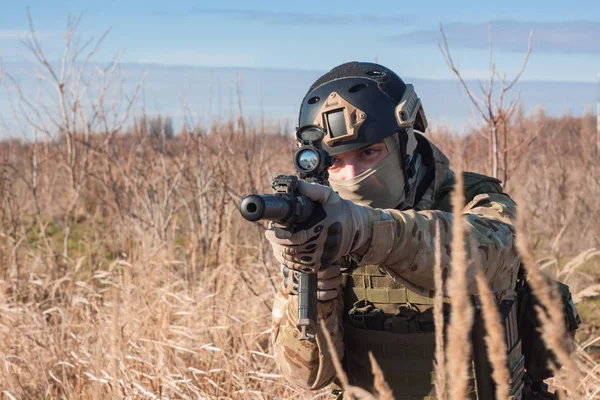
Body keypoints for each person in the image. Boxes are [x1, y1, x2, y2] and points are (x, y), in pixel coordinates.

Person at [265, 61, 523, 399]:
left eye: (369, 152)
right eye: (337, 162)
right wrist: (309, 291)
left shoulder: (474, 198)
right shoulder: (321, 226)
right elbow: (308, 378)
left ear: (407, 145)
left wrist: (365, 230)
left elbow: (485, 251)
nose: (352, 175)